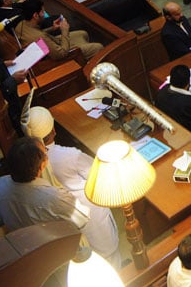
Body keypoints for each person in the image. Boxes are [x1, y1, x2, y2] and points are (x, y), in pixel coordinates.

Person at [21, 107, 121, 266]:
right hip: (87, 213)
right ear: (53, 130)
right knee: (109, 256)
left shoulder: (27, 160)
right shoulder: (69, 156)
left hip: (63, 219)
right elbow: (100, 174)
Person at [0, 138, 93, 254]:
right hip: (58, 251)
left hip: (24, 247)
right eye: (45, 152)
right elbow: (82, 218)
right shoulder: (55, 198)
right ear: (42, 166)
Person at [16, 0, 102, 61]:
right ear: (35, 15)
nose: (44, 13)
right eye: (42, 11)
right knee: (98, 47)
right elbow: (61, 55)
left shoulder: (21, 25)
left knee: (83, 33)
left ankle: (86, 58)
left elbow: (37, 34)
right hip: (60, 56)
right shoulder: (40, 38)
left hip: (51, 43)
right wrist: (64, 31)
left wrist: (52, 28)